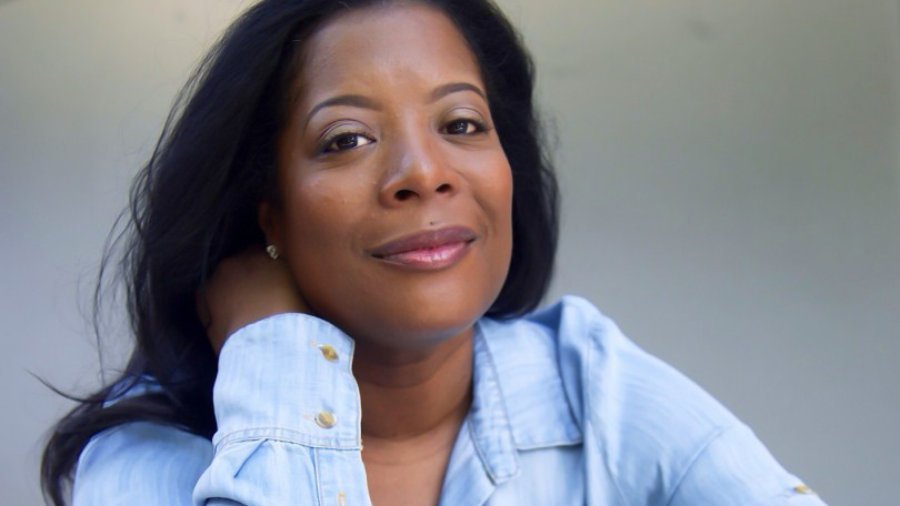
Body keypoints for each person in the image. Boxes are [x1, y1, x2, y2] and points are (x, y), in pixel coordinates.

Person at [41, 0, 828, 504]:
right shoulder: (143, 454)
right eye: (346, 139)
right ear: (266, 212)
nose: (424, 173)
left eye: (460, 125)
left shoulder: (592, 383)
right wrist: (274, 351)